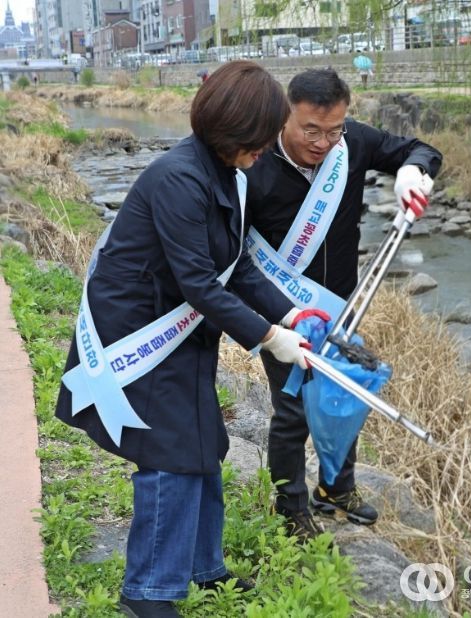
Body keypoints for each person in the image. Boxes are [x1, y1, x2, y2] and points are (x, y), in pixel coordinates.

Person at [55, 61, 327, 618]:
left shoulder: (228, 172)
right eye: (260, 137)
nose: (265, 149)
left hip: (180, 325)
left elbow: (237, 266)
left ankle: (204, 567)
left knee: (204, 439)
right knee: (170, 454)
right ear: (234, 130)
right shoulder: (178, 179)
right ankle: (148, 593)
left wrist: (291, 313)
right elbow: (200, 283)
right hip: (138, 330)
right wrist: (269, 337)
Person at [244, 68, 443, 542]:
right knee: (292, 411)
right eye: (310, 130)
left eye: (333, 130)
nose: (323, 143)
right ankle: (290, 509)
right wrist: (271, 320)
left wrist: (412, 173)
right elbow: (233, 256)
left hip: (343, 305)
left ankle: (336, 488)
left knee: (345, 393)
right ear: (285, 116)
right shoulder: (254, 165)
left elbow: (422, 150)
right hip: (285, 311)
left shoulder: (351, 142)